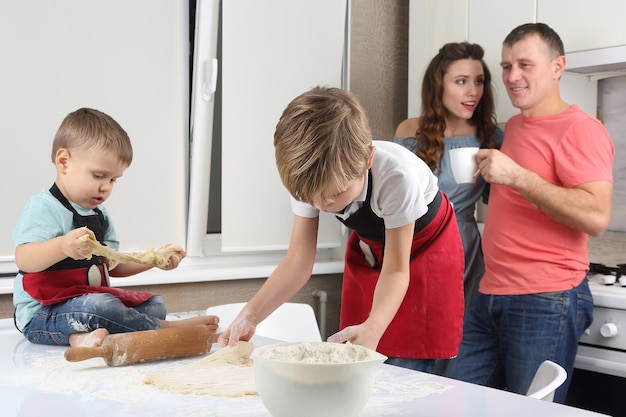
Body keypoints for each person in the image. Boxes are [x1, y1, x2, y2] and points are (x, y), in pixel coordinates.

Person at [218, 86, 465, 373]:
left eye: (336, 194)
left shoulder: (397, 176)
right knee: (357, 349)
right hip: (375, 245)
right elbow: (298, 262)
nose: (322, 205)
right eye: (312, 198)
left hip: (426, 247)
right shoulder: (309, 180)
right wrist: (250, 315)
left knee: (402, 362)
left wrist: (374, 327)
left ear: (368, 160)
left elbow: (397, 270)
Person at [444, 23, 614, 404]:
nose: (512, 76)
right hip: (489, 293)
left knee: (529, 411)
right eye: (506, 66)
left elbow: (596, 216)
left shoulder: (581, 129)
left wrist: (517, 176)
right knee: (452, 402)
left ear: (557, 67)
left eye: (525, 64)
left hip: (545, 298)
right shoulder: (517, 126)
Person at [13, 108, 218, 348]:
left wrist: (154, 260)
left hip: (85, 306)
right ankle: (166, 329)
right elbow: (24, 259)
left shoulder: (100, 215)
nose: (105, 187)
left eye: (112, 180)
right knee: (101, 307)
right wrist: (63, 246)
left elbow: (114, 265)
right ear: (64, 162)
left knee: (155, 305)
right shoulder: (43, 208)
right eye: (98, 176)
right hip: (44, 313)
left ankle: (82, 339)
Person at [394, 42, 503, 312]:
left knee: (457, 336)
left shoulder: (491, 137)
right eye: (461, 81)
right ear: (439, 85)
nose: (473, 91)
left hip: (463, 248)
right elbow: (390, 192)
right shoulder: (410, 131)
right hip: (412, 241)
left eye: (479, 82)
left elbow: (499, 201)